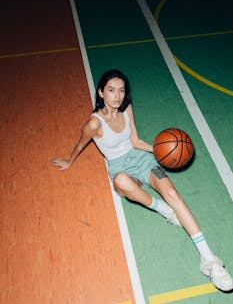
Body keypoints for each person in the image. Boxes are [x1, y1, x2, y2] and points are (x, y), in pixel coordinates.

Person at [52, 69, 233, 292]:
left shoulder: (126, 108)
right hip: (121, 168)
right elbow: (81, 143)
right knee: (121, 181)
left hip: (143, 160)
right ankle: (163, 210)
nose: (117, 96)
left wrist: (160, 153)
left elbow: (135, 141)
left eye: (121, 90)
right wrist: (69, 161)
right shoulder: (94, 124)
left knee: (173, 194)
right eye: (111, 90)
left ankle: (210, 260)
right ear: (101, 92)